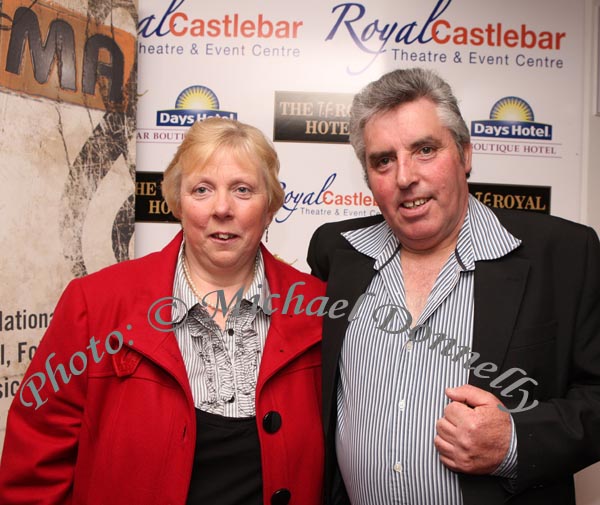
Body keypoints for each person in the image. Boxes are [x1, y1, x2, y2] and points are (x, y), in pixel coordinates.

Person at [307, 67, 600, 505]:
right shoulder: (337, 252)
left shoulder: (563, 254)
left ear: (464, 153)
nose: (404, 176)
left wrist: (517, 441)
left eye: (425, 149)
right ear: (368, 177)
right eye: (383, 160)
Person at [0, 117, 324, 505]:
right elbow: (35, 466)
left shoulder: (318, 309)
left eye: (242, 190)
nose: (222, 208)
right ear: (177, 202)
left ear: (269, 207)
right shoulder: (96, 304)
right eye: (202, 189)